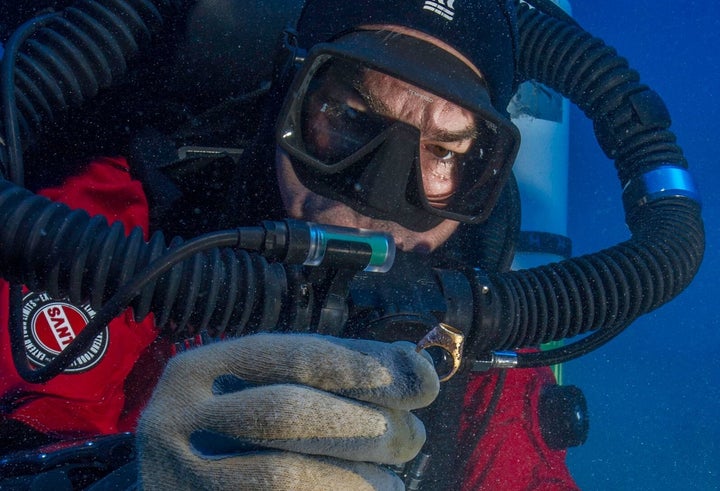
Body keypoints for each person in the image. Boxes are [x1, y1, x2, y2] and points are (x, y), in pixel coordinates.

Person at [0, 0, 704, 489]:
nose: (375, 193)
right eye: (349, 115)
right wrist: (135, 479)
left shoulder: (481, 349)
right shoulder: (105, 238)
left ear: (482, 176)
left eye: (444, 150)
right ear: (289, 99)